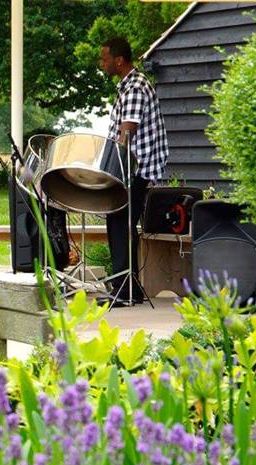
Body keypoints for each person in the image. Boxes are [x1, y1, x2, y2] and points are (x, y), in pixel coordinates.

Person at [99, 36, 169, 307]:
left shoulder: (136, 87)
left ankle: (123, 289)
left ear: (119, 60)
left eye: (105, 59)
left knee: (120, 222)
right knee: (121, 223)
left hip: (136, 168)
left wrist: (111, 170)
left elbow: (126, 134)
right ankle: (129, 287)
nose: (102, 64)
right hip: (131, 166)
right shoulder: (127, 86)